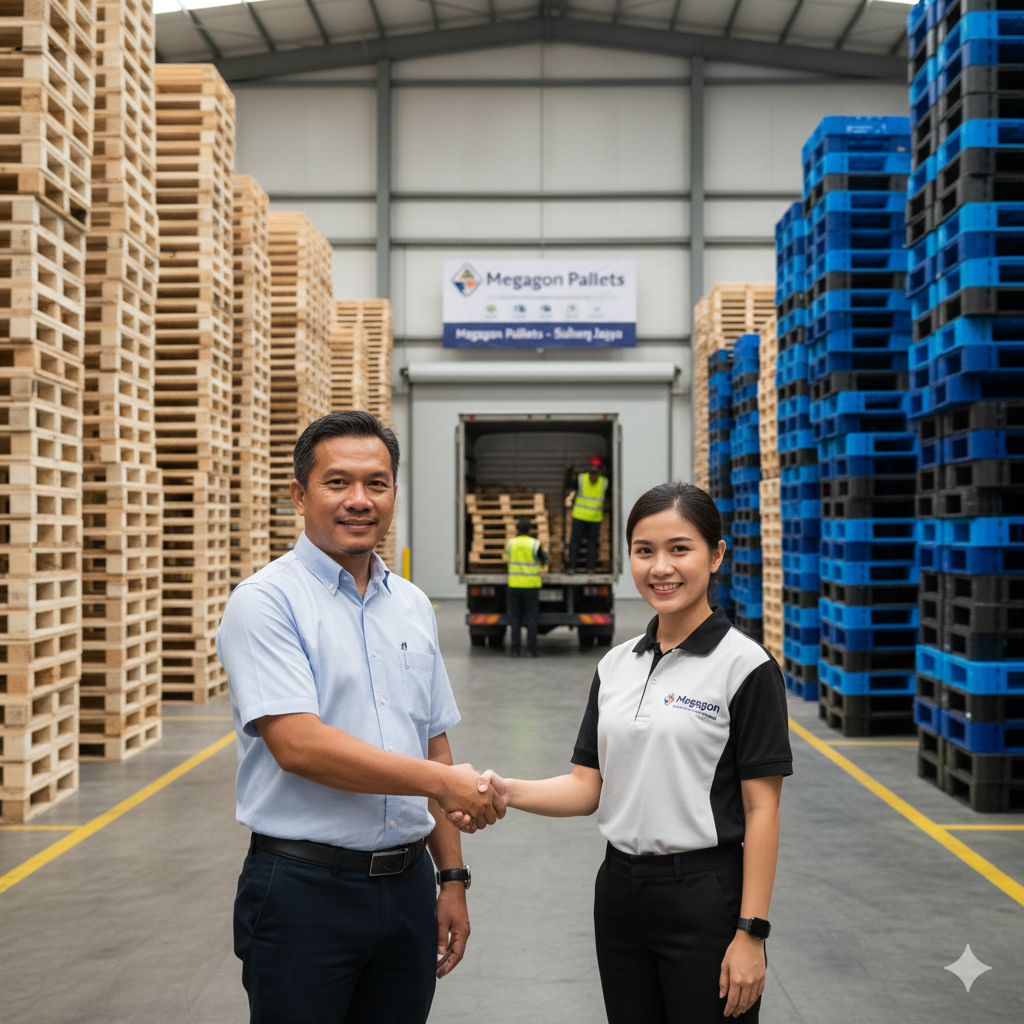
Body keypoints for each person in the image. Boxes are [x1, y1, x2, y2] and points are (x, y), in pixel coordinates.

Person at [454, 481, 792, 1023]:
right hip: (619, 893)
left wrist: (752, 932)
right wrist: (505, 790)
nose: (661, 567)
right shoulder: (615, 665)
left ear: (716, 555)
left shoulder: (746, 667)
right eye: (644, 550)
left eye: (679, 549)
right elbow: (586, 786)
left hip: (704, 895)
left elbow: (763, 808)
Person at [216, 410, 506, 1024]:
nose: (359, 500)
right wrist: (442, 783)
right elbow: (299, 746)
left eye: (376, 483)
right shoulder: (265, 602)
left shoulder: (413, 605)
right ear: (299, 494)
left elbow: (433, 742)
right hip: (304, 892)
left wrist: (451, 877)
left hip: (407, 891)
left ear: (394, 493)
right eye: (337, 482)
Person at [506, 515, 547, 657]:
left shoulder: (511, 544)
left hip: (514, 586)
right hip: (531, 586)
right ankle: (532, 649)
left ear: (517, 529)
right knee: (531, 618)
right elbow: (543, 560)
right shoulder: (534, 544)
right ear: (529, 529)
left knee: (515, 618)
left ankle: (515, 649)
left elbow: (506, 558)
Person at [565, 455, 609, 574]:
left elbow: (571, 492)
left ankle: (574, 568)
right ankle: (588, 568)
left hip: (584, 517)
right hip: (590, 518)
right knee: (588, 544)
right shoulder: (603, 481)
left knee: (579, 543)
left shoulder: (583, 479)